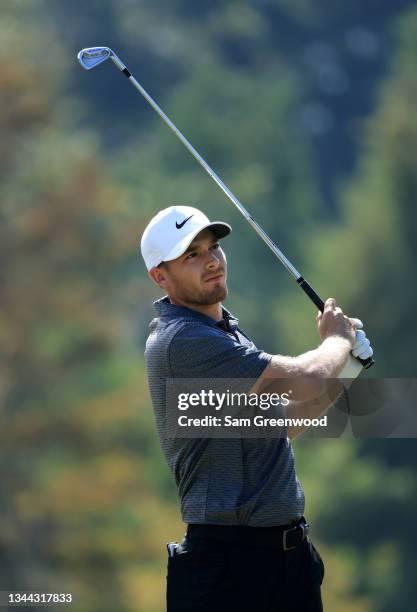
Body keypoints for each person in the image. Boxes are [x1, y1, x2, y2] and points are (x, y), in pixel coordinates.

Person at [140, 205, 373, 612]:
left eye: (212, 247)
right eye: (191, 254)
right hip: (229, 568)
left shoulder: (224, 332)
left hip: (287, 560)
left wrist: (349, 367)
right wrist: (336, 340)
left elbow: (281, 423)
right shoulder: (183, 341)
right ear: (161, 276)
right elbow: (306, 379)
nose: (212, 260)